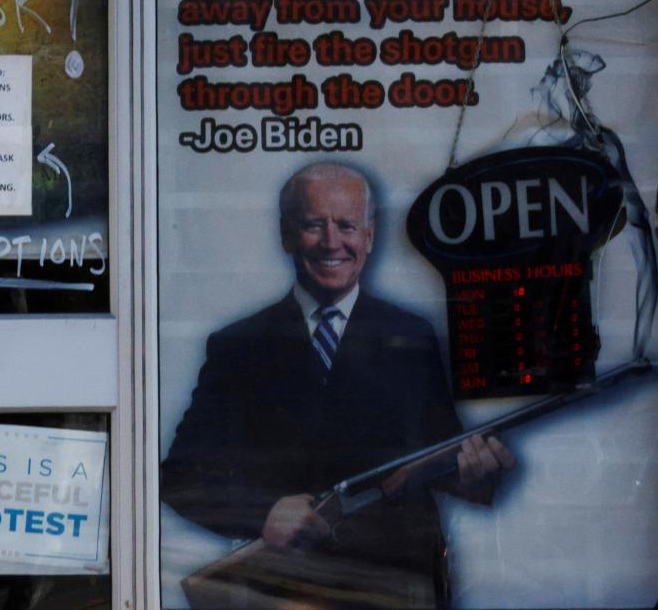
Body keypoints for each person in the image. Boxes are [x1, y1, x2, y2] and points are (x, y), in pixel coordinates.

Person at [162, 161, 515, 605]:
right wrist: (263, 513)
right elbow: (179, 476)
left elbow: (436, 457)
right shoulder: (238, 346)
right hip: (285, 594)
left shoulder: (412, 335)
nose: (332, 242)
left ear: (369, 236)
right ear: (286, 235)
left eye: (347, 225)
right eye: (313, 225)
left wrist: (477, 476)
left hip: (396, 587)